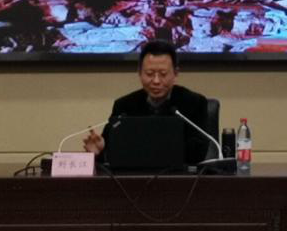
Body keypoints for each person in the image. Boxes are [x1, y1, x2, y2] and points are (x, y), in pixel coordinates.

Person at [82, 39, 212, 165]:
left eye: (163, 74)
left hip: (179, 177)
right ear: (139, 73)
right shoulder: (124, 106)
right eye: (149, 74)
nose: (156, 81)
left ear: (175, 73)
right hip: (133, 177)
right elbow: (111, 154)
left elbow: (198, 154)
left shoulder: (194, 103)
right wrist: (100, 151)